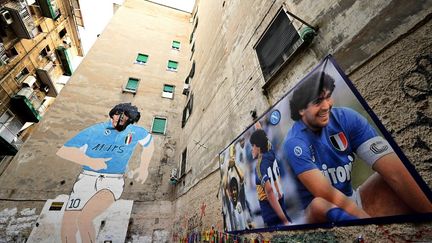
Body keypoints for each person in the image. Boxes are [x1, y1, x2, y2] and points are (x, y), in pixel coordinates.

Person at [283, 71, 432, 223]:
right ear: (301, 110)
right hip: (317, 215)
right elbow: (325, 193)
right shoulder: (294, 142)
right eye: (317, 101)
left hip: (351, 201)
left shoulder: (347, 118)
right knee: (319, 204)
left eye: (328, 97)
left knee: (400, 170)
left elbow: (394, 170)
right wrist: (369, 225)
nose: (326, 106)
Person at [56, 103, 154, 243]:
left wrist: (144, 167)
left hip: (112, 181)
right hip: (87, 178)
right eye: (120, 118)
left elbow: (149, 145)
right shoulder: (95, 130)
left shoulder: (136, 131)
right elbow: (64, 150)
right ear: (114, 114)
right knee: (68, 224)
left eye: (127, 121)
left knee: (84, 219)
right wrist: (90, 161)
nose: (122, 123)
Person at [250, 125, 291, 226]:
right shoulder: (270, 151)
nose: (251, 149)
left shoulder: (260, 166)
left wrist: (284, 220)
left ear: (258, 147)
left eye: (252, 146)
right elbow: (263, 137)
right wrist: (256, 122)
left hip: (272, 216)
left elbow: (270, 191)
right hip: (282, 208)